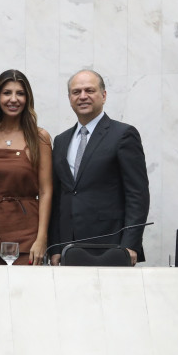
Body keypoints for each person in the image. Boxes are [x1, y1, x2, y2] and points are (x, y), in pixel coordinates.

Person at [49, 69, 149, 265]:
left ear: (103, 96)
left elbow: (137, 194)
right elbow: (59, 197)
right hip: (69, 247)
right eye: (76, 92)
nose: (83, 96)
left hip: (111, 246)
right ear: (69, 98)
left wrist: (130, 245)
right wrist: (56, 246)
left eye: (89, 90)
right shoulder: (61, 141)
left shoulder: (123, 134)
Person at [0, 69, 52, 265]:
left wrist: (41, 239)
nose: (13, 99)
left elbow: (46, 191)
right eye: (7, 93)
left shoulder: (40, 138)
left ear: (27, 98)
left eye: (20, 93)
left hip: (27, 236)